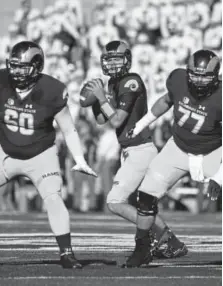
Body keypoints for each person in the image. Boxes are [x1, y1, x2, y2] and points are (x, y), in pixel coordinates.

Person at [81, 40, 187, 259]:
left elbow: (117, 120)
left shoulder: (132, 81)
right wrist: (94, 100)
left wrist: (102, 98)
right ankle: (169, 241)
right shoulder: (111, 84)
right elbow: (102, 119)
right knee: (141, 205)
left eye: (116, 59)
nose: (111, 64)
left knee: (115, 202)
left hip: (141, 149)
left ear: (127, 60)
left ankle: (161, 239)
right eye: (108, 60)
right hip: (130, 150)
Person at [0, 41, 97, 269]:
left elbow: (68, 128)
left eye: (22, 67)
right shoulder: (2, 81)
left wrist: (80, 159)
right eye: (13, 66)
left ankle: (66, 253)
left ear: (37, 67)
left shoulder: (52, 90)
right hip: (5, 152)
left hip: (40, 155)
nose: (16, 72)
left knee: (53, 198)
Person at [125, 49, 222, 267]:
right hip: (177, 148)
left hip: (213, 152)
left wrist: (219, 176)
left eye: (204, 75)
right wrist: (141, 124)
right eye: (194, 74)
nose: (198, 80)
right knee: (146, 195)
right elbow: (166, 100)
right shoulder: (178, 79)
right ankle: (142, 248)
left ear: (216, 75)